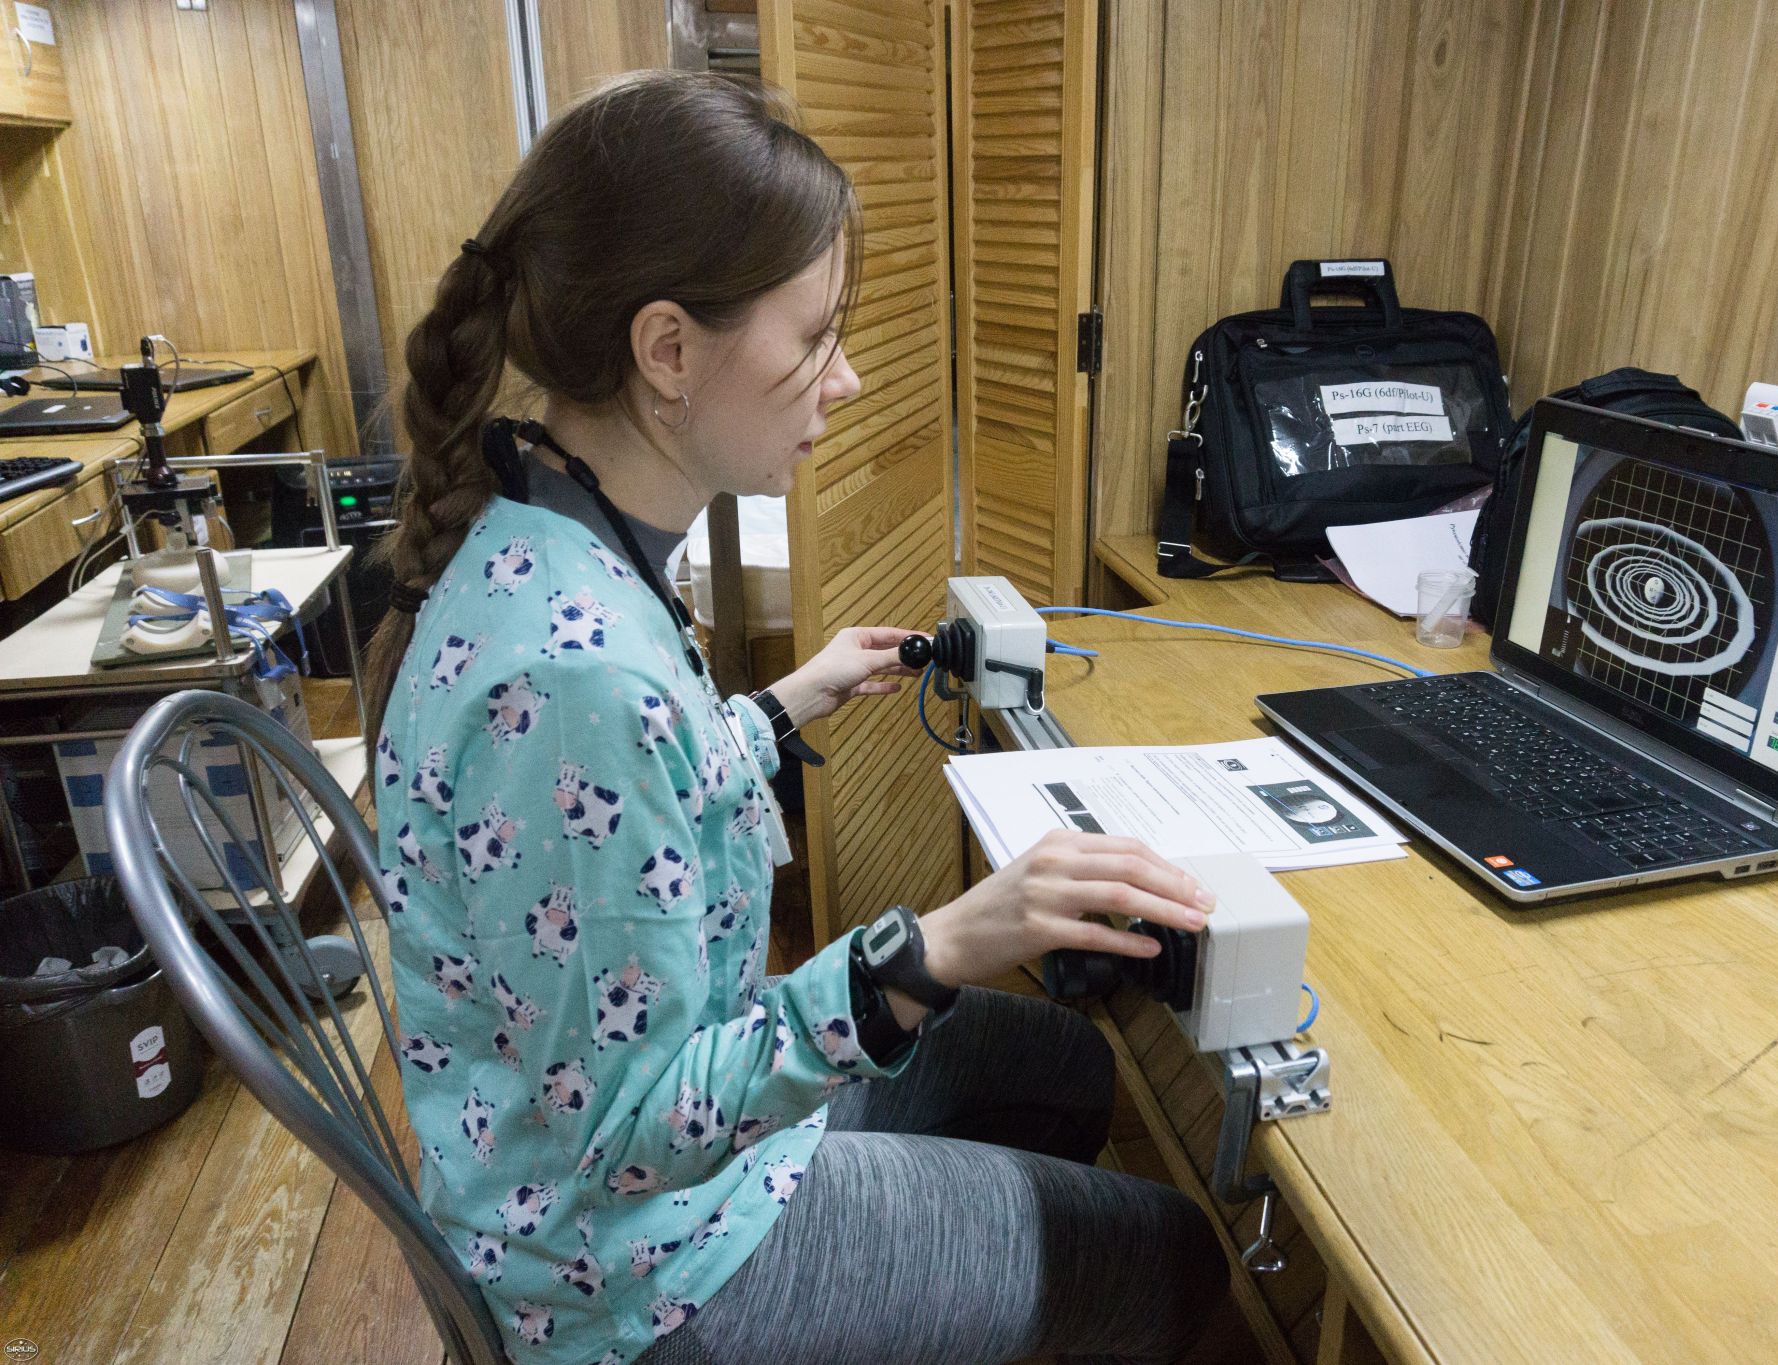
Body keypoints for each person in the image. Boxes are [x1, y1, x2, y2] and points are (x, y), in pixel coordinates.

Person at [365, 70, 1227, 1365]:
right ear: (667, 351)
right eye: (814, 334)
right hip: (645, 1271)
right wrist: (932, 946)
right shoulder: (570, 675)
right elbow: (638, 1126)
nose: (849, 376)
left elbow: (613, 830)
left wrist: (776, 706)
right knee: (1175, 1263)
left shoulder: (553, 523)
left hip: (640, 1174)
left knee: (1072, 1070)